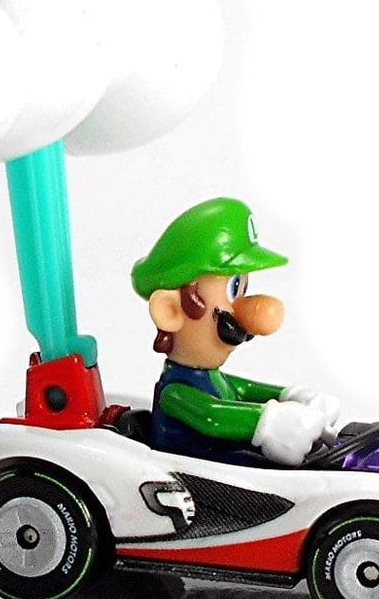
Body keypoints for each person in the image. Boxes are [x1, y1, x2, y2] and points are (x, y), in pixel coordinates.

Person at [131, 197, 339, 466]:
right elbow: (213, 416)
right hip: (192, 471)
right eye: (232, 290)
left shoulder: (213, 378)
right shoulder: (176, 392)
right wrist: (270, 422)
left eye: (241, 288)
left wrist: (292, 395)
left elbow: (243, 390)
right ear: (171, 311)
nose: (246, 310)